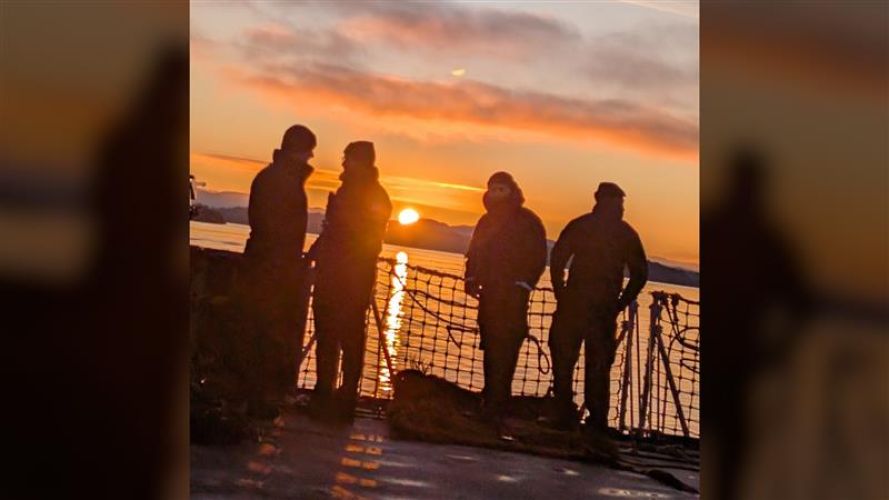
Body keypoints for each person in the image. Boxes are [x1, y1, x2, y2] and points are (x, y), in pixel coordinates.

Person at [548, 182, 648, 435]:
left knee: (575, 362)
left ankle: (569, 416)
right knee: (591, 365)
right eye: (618, 202)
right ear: (605, 201)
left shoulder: (582, 225)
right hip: (596, 308)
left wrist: (562, 293)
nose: (620, 207)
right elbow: (640, 275)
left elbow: (558, 260)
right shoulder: (624, 233)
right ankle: (592, 421)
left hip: (584, 306)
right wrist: (619, 303)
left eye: (621, 203)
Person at [308, 141, 392, 420]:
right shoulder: (349, 191)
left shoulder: (374, 196)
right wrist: (319, 249)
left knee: (349, 336)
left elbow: (366, 239)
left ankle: (343, 398)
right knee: (329, 335)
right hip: (334, 273)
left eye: (348, 158)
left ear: (360, 161)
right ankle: (324, 391)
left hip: (351, 277)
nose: (343, 163)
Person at [240, 124, 316, 418]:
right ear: (297, 151)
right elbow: (274, 228)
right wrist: (285, 261)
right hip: (274, 267)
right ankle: (259, 399)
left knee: (260, 332)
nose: (311, 157)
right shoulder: (283, 182)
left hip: (267, 263)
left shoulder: (269, 178)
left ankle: (256, 397)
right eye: (308, 151)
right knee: (266, 333)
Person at [465, 172, 548, 426]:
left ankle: (499, 399)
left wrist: (525, 283)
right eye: (493, 189)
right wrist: (470, 279)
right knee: (490, 344)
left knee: (509, 344)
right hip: (489, 292)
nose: (496, 194)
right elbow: (475, 251)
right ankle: (491, 397)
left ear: (511, 191)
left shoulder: (529, 221)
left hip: (513, 295)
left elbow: (538, 256)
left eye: (501, 189)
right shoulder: (485, 221)